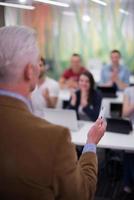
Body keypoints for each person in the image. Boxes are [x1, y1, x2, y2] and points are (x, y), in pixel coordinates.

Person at [0, 26, 106, 200]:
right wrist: (91, 142)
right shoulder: (53, 139)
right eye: (37, 63)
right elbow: (82, 194)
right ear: (29, 71)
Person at [120, 86, 134, 199]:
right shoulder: (129, 91)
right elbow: (125, 113)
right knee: (129, 150)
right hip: (132, 129)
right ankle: (127, 185)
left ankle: (128, 184)